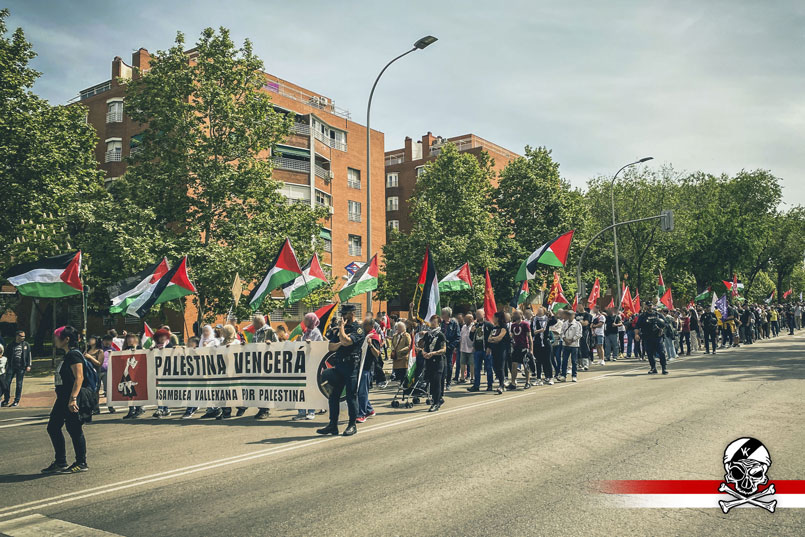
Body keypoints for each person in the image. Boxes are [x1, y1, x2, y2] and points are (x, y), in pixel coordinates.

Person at [42, 326, 90, 474]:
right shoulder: (68, 354)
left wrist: (73, 398)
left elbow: (79, 377)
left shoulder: (73, 355)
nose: (55, 339)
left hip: (71, 398)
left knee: (74, 429)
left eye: (57, 337)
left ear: (67, 339)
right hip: (63, 397)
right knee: (53, 427)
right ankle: (61, 461)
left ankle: (81, 462)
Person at [317, 304, 365, 436]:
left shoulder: (358, 329)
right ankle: (333, 425)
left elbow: (347, 341)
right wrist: (340, 341)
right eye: (342, 314)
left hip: (351, 368)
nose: (343, 316)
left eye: (345, 314)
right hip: (339, 367)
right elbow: (331, 347)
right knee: (333, 397)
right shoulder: (340, 329)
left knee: (351, 397)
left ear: (353, 313)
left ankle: (352, 425)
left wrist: (342, 329)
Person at [294, 312, 323, 421]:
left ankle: (311, 411)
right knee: (301, 388)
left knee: (310, 388)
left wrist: (312, 344)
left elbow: (320, 346)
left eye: (306, 320)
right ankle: (301, 411)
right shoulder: (304, 332)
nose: (304, 322)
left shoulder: (316, 332)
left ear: (311, 321)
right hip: (302, 364)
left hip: (312, 364)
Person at [421, 314, 447, 411]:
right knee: (431, 382)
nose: (432, 323)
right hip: (429, 361)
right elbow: (424, 346)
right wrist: (424, 352)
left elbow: (443, 349)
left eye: (434, 321)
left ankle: (436, 403)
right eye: (431, 321)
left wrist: (434, 353)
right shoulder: (428, 334)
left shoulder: (440, 335)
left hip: (438, 361)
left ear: (438, 323)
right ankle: (438, 398)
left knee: (436, 382)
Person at [216, 325, 241, 420]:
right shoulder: (221, 343)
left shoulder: (237, 342)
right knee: (223, 391)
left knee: (234, 392)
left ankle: (241, 406)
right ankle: (226, 411)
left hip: (234, 372)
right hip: (223, 371)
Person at [2, 330, 31, 407]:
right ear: (17, 336)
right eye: (21, 336)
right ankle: (6, 399)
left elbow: (29, 356)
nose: (23, 338)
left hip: (21, 367)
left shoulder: (26, 345)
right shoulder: (11, 345)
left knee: (19, 384)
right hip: (11, 366)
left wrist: (29, 365)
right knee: (6, 383)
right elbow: (5, 355)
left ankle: (16, 400)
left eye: (24, 336)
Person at [636, 304, 668, 374]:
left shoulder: (658, 315)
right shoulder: (642, 316)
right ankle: (653, 368)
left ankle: (664, 368)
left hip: (657, 337)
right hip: (647, 337)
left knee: (661, 353)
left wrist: (662, 330)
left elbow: (666, 324)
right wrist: (636, 334)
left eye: (650, 306)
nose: (649, 307)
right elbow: (637, 326)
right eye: (648, 306)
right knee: (650, 354)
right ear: (645, 307)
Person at [468, 309, 494, 392]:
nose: (478, 316)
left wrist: (489, 347)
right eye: (477, 314)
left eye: (480, 314)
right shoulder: (475, 325)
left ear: (484, 315)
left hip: (486, 350)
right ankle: (476, 385)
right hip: (477, 350)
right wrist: (471, 332)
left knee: (489, 368)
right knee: (477, 368)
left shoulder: (489, 325)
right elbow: (472, 338)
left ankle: (490, 385)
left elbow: (492, 337)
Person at [121, 333, 145, 419]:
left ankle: (139, 408)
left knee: (136, 391)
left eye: (132, 338)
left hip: (137, 373)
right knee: (129, 391)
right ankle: (131, 409)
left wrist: (134, 348)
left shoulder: (139, 348)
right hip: (127, 372)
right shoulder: (125, 349)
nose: (130, 340)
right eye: (128, 338)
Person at [151, 328, 174, 418]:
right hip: (158, 372)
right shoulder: (156, 346)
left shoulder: (169, 345)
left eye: (163, 336)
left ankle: (162, 408)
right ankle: (164, 408)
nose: (162, 338)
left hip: (167, 371)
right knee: (159, 390)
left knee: (164, 390)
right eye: (160, 336)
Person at [508, 310, 532, 389]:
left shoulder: (525, 324)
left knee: (526, 365)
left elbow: (529, 336)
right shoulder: (513, 325)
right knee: (514, 365)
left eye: (516, 313)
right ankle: (513, 382)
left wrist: (531, 349)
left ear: (521, 315)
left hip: (524, 347)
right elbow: (512, 335)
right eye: (514, 314)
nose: (514, 314)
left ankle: (527, 382)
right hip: (516, 347)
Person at [531, 307, 554, 385]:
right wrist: (539, 331)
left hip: (546, 342)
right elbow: (532, 332)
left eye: (541, 311)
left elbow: (555, 321)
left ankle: (550, 377)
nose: (539, 312)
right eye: (538, 310)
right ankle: (538, 378)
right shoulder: (534, 320)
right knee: (538, 361)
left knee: (548, 360)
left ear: (544, 312)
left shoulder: (547, 320)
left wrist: (551, 314)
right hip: (537, 343)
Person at [487, 311, 509, 394]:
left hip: (502, 350)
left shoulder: (504, 328)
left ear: (498, 318)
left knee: (500, 367)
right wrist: (493, 340)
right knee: (495, 367)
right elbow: (489, 339)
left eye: (494, 317)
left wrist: (493, 339)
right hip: (494, 349)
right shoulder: (494, 328)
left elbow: (499, 338)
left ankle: (501, 385)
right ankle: (502, 382)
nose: (493, 319)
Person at [559, 309, 582, 382]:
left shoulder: (577, 324)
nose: (570, 316)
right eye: (568, 315)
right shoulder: (565, 323)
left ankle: (574, 375)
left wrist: (572, 340)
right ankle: (563, 375)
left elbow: (579, 334)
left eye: (571, 315)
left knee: (574, 361)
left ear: (574, 315)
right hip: (565, 344)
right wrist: (565, 339)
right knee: (564, 360)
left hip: (574, 345)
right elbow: (561, 332)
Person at [440, 308, 460, 393]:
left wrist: (451, 346)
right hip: (440, 348)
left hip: (449, 348)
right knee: (441, 366)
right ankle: (441, 383)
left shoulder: (454, 323)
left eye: (443, 313)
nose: (442, 315)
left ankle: (448, 383)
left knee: (448, 365)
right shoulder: (440, 323)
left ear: (448, 314)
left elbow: (458, 337)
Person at [84, 336, 104, 415]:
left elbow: (99, 363)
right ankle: (89, 407)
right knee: (87, 390)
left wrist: (90, 357)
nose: (90, 341)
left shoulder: (99, 351)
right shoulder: (87, 350)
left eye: (92, 339)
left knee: (95, 391)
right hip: (87, 373)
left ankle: (96, 408)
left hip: (95, 373)